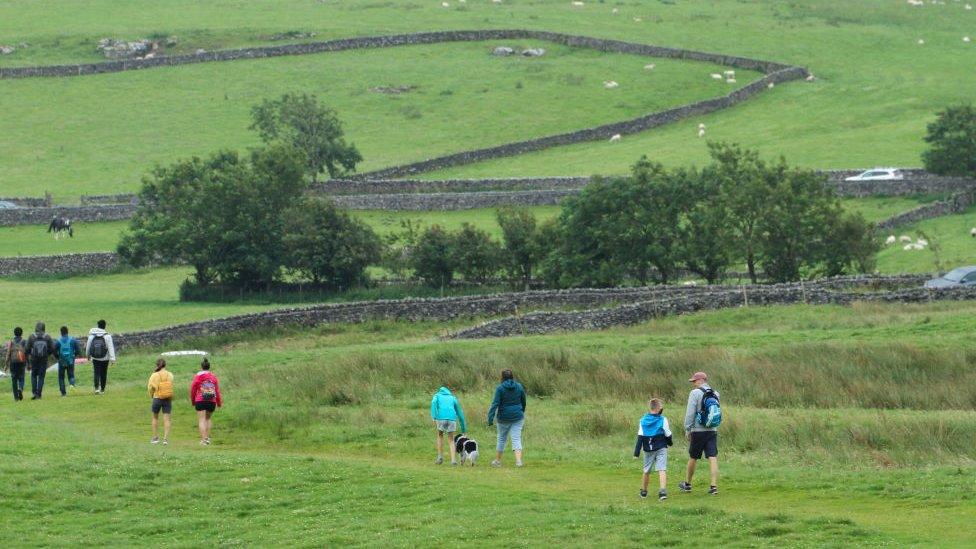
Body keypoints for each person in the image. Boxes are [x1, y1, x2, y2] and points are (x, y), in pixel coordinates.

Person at [679, 372, 720, 495]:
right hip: (712, 430)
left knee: (693, 457)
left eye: (694, 381)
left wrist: (688, 429)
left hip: (698, 431)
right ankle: (713, 486)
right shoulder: (715, 393)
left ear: (701, 380)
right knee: (712, 457)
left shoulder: (695, 393)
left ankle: (687, 484)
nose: (693, 384)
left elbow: (690, 413)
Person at [634, 398, 673, 501]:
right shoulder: (663, 419)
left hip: (648, 449)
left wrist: (636, 453)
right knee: (662, 469)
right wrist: (670, 443)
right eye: (661, 407)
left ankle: (643, 492)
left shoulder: (642, 420)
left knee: (646, 470)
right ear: (657, 409)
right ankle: (662, 492)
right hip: (661, 447)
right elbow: (668, 434)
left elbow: (640, 438)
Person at [487, 368, 527, 468]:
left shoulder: (500, 388)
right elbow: (523, 400)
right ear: (512, 376)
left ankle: (497, 461)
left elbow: (495, 404)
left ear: (502, 377)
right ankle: (518, 461)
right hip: (518, 416)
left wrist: (490, 418)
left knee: (501, 439)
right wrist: (521, 411)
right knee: (516, 439)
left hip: (503, 418)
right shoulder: (519, 386)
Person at [430, 386, 467, 465]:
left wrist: (433, 416)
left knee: (440, 435)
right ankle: (453, 460)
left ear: (440, 391)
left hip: (441, 418)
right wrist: (464, 430)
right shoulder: (453, 398)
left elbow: (433, 402)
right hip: (452, 419)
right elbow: (460, 414)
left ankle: (440, 457)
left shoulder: (437, 395)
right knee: (451, 439)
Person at [189, 358, 222, 445]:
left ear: (201, 367)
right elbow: (217, 391)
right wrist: (219, 402)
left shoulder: (198, 377)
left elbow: (193, 389)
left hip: (200, 400)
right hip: (211, 401)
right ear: (209, 367)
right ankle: (207, 438)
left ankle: (203, 440)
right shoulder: (213, 377)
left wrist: (193, 401)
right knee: (208, 419)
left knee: (201, 420)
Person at [147, 358, 174, 445]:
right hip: (167, 398)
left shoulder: (154, 375)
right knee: (167, 419)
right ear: (165, 365)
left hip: (157, 398)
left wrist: (152, 396)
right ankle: (165, 439)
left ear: (157, 365)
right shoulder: (170, 375)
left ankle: (155, 438)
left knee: (155, 417)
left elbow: (150, 388)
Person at [26, 322, 55, 400]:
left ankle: (34, 392)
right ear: (44, 328)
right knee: (41, 376)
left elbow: (27, 349)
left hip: (34, 359)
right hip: (43, 359)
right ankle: (39, 394)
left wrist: (30, 357)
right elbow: (53, 348)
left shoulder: (31, 337)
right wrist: (47, 354)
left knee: (34, 375)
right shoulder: (47, 337)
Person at [86, 319, 116, 394]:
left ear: (98, 326)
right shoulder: (108, 336)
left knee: (96, 372)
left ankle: (96, 389)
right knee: (104, 373)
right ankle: (102, 389)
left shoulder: (92, 336)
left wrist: (88, 356)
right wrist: (112, 359)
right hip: (105, 358)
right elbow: (110, 348)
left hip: (95, 357)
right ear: (105, 326)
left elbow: (88, 347)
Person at [55, 326, 81, 397]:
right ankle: (72, 384)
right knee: (71, 375)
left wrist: (58, 357)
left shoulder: (58, 341)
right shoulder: (73, 340)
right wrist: (73, 356)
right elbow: (78, 350)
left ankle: (63, 394)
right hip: (70, 361)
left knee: (61, 377)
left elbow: (54, 351)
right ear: (67, 332)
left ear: (61, 333)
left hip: (61, 361)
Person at [5, 327, 27, 401]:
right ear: (21, 333)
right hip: (21, 362)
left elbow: (8, 353)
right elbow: (26, 353)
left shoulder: (11, 342)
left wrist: (6, 364)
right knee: (22, 377)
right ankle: (20, 388)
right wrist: (29, 363)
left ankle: (16, 398)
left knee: (14, 379)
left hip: (13, 362)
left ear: (14, 333)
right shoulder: (24, 341)